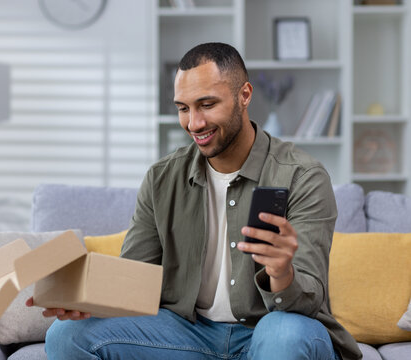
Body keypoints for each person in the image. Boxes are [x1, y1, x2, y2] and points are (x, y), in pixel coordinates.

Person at [26, 42, 362, 360]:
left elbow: (308, 299)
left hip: (274, 328)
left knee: (283, 335)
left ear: (244, 95)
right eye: (183, 109)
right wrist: (89, 300)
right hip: (190, 334)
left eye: (207, 104)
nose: (194, 123)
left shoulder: (303, 175)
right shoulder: (162, 178)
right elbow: (134, 279)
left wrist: (282, 272)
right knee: (66, 334)